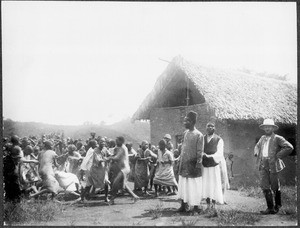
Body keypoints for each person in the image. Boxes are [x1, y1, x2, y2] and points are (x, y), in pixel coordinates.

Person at [254, 119, 294, 214]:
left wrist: (278, 155)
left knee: (275, 186)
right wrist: (256, 152)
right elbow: (257, 146)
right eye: (265, 127)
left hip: (273, 164)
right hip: (263, 164)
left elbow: (289, 147)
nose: (267, 128)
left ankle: (277, 206)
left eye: (269, 126)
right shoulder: (262, 138)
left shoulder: (277, 138)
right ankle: (270, 208)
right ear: (263, 128)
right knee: (264, 186)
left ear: (273, 128)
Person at [177, 111, 203, 214]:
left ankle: (196, 207)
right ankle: (184, 205)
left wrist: (198, 164)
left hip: (193, 165)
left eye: (186, 121)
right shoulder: (185, 133)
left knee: (194, 185)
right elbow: (183, 148)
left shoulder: (199, 135)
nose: (184, 123)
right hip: (184, 165)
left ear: (192, 122)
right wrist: (180, 160)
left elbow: (200, 152)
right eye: (184, 121)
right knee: (184, 185)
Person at [202, 121, 228, 212]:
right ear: (206, 128)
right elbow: (200, 149)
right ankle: (207, 205)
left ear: (214, 128)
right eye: (208, 126)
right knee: (206, 185)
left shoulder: (219, 139)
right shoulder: (203, 139)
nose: (209, 128)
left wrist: (209, 156)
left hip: (214, 165)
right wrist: (203, 155)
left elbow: (219, 153)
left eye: (212, 126)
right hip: (205, 165)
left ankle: (213, 205)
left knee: (214, 184)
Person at [108, 136, 139, 204]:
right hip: (121, 168)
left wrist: (108, 158)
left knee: (115, 183)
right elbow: (114, 155)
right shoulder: (118, 147)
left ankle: (112, 199)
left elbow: (117, 157)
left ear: (121, 141)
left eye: (117, 141)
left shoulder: (123, 148)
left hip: (124, 169)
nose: (116, 142)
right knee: (123, 186)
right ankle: (135, 196)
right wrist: (111, 155)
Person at [81, 138, 110, 202]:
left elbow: (109, 154)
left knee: (106, 182)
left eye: (103, 142)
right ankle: (82, 198)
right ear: (98, 143)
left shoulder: (105, 149)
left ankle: (106, 197)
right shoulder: (95, 150)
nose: (102, 143)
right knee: (89, 184)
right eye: (101, 142)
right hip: (95, 170)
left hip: (103, 169)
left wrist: (112, 157)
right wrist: (106, 159)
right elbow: (98, 160)